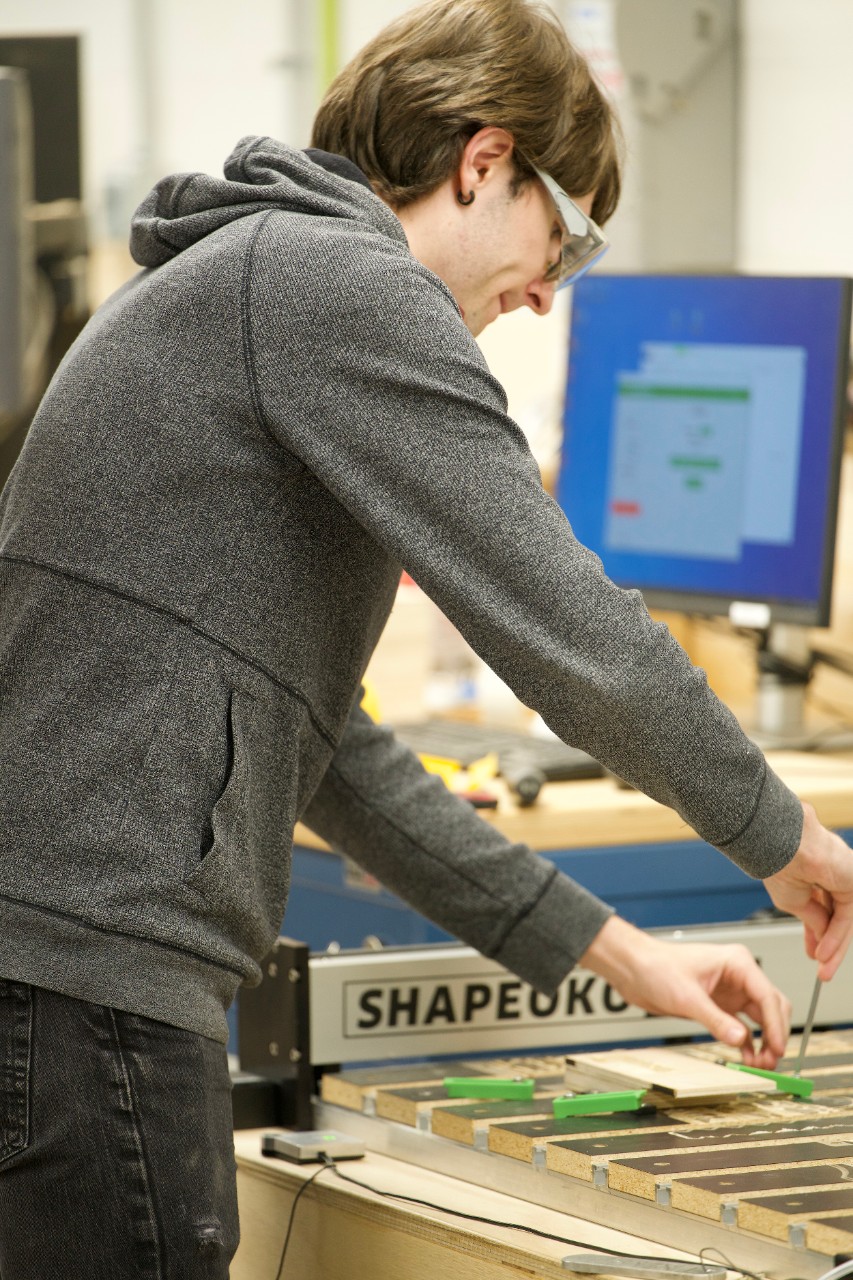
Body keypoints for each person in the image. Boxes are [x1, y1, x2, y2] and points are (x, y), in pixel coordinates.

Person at [1, 0, 852, 1274]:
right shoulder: (331, 283)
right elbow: (572, 631)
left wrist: (618, 956)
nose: (548, 293)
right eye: (561, 241)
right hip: (94, 997)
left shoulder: (245, 277)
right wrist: (787, 841)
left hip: (61, 989)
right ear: (484, 161)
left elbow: (332, 754)